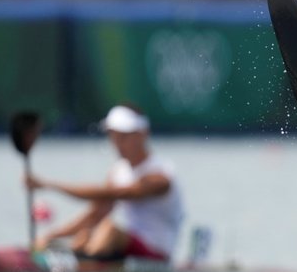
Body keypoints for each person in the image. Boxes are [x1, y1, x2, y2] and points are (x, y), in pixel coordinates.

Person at [25, 104, 185, 263]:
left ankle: (79, 264)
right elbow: (95, 215)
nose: (117, 143)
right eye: (113, 136)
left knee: (109, 229)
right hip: (127, 250)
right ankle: (60, 257)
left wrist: (50, 185)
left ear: (143, 134)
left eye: (124, 136)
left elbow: (116, 193)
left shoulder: (161, 175)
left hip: (157, 254)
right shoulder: (118, 172)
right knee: (85, 234)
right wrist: (51, 236)